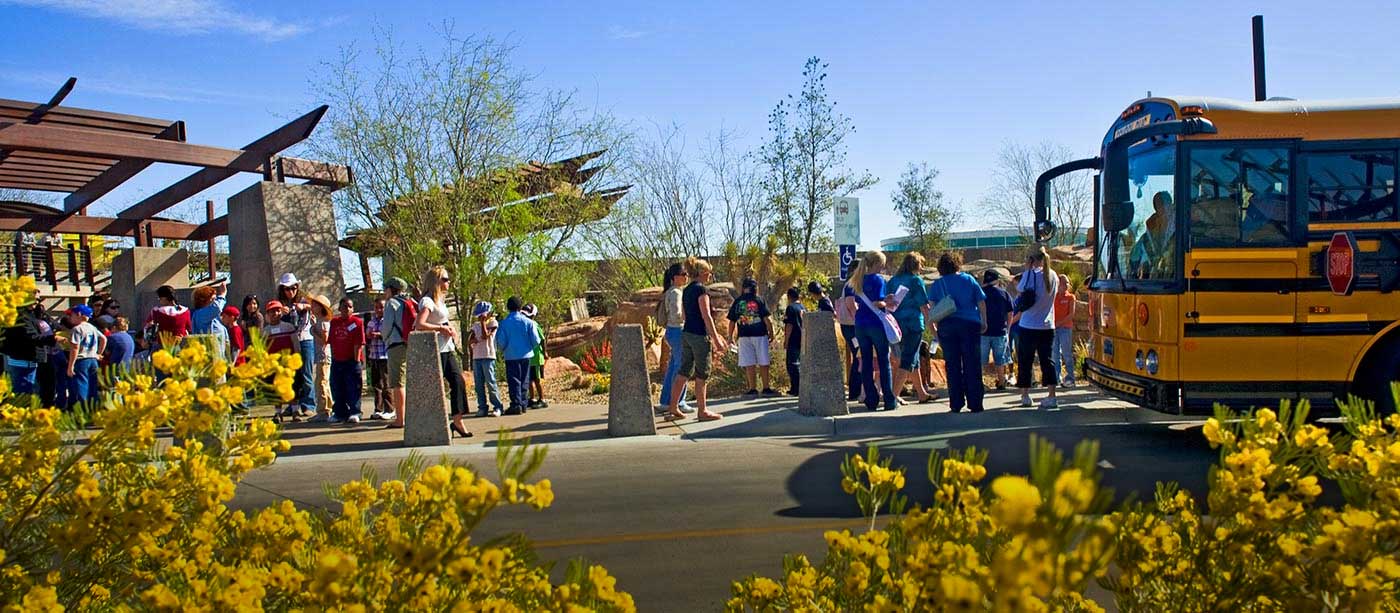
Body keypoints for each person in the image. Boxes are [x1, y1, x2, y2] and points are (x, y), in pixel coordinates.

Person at [666, 257, 727, 421]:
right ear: (702, 272)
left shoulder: (686, 290)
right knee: (702, 373)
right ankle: (703, 411)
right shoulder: (701, 290)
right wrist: (716, 339)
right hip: (699, 335)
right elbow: (706, 315)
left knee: (684, 370)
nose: (709, 275)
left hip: (686, 333)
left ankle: (673, 407)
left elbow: (684, 315)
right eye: (708, 272)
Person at [928, 252, 988, 413]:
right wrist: (984, 321)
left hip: (947, 325)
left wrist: (934, 330)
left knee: (952, 364)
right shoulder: (968, 279)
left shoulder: (938, 284)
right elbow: (981, 301)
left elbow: (931, 308)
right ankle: (975, 402)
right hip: (969, 323)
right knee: (972, 364)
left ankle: (956, 402)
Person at [418, 266, 471, 436]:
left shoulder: (440, 300)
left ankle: (457, 420)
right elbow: (419, 324)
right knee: (434, 388)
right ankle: (429, 423)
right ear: (436, 281)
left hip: (447, 348)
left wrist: (449, 328)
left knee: (458, 382)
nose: (449, 282)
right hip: (435, 351)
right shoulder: (428, 301)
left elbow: (442, 321)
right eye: (445, 279)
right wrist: (441, 328)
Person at [849, 250, 897, 412]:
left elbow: (857, 301)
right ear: (877, 264)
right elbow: (878, 303)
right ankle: (889, 400)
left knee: (866, 362)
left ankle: (871, 399)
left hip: (860, 324)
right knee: (883, 361)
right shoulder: (878, 280)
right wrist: (888, 301)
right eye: (882, 265)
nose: (882, 268)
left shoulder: (858, 280)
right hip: (876, 323)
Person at [1016, 245, 1061, 409]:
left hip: (1028, 324)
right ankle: (1051, 395)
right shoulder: (1053, 276)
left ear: (1032, 259)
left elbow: (1019, 289)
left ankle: (1025, 395)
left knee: (1026, 360)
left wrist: (1027, 269)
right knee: (1047, 360)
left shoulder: (1031, 275)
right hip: (1047, 325)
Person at [888, 253, 933, 405]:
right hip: (913, 324)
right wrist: (932, 326)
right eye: (921, 264)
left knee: (913, 360)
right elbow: (924, 306)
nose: (922, 267)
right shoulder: (916, 281)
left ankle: (921, 393)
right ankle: (892, 397)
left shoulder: (893, 281)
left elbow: (888, 302)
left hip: (897, 325)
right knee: (907, 361)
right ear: (915, 265)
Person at [277, 274, 317, 419]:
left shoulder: (305, 299)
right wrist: (280, 312)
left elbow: (317, 306)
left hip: (305, 339)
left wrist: (303, 306)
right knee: (292, 375)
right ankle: (293, 405)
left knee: (306, 373)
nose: (290, 291)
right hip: (289, 341)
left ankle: (309, 405)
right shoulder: (281, 304)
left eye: (293, 288)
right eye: (287, 289)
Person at [727, 278, 776, 396]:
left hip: (743, 336)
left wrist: (730, 337)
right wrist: (771, 333)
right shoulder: (759, 300)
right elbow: (766, 318)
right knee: (763, 362)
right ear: (755, 288)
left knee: (749, 363)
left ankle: (752, 389)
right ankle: (766, 388)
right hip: (759, 335)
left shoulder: (738, 302)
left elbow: (732, 321)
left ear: (743, 288)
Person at [655, 263, 691, 414]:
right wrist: (688, 320)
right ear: (675, 277)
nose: (686, 277)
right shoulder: (676, 293)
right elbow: (676, 314)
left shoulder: (670, 291)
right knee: (682, 367)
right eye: (684, 274)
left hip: (671, 331)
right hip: (678, 330)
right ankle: (678, 401)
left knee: (673, 366)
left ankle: (666, 400)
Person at [497, 295, 541, 417]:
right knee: (524, 379)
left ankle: (516, 404)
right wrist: (528, 347)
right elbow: (536, 340)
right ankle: (523, 403)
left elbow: (501, 342)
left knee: (514, 380)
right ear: (520, 307)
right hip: (526, 355)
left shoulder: (504, 323)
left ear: (508, 307)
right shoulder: (528, 322)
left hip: (511, 356)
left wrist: (504, 349)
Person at [328, 297, 366, 425]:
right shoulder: (334, 322)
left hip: (351, 360)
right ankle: (339, 412)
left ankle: (355, 412)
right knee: (337, 387)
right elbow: (332, 341)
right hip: (338, 360)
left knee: (353, 387)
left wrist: (356, 361)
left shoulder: (357, 322)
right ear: (339, 308)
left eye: (349, 307)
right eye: (344, 306)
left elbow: (359, 343)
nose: (347, 309)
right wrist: (335, 358)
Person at [1, 301, 52, 395]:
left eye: (38, 300)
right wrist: (53, 339)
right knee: (23, 392)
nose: (36, 303)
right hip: (23, 360)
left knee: (23, 389)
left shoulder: (27, 315)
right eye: (34, 299)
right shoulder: (22, 317)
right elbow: (32, 336)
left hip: (21, 359)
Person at [381, 277, 411, 428]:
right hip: (410, 344)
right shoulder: (409, 302)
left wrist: (384, 338)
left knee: (398, 383)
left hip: (395, 344)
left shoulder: (391, 303)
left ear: (391, 289)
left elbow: (386, 327)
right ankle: (408, 416)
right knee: (407, 381)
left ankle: (400, 419)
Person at [63, 305, 105, 410]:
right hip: (93, 359)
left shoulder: (77, 329)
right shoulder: (92, 327)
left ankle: (81, 409)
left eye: (71, 315)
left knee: (80, 387)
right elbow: (104, 339)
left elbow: (75, 348)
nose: (70, 318)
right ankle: (92, 409)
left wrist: (70, 366)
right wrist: (98, 353)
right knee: (92, 386)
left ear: (79, 315)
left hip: (81, 360)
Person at [468, 301, 505, 418]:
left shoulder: (493, 323)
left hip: (488, 356)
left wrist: (483, 323)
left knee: (491, 382)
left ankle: (497, 406)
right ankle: (482, 407)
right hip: (477, 357)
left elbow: (485, 336)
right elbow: (470, 340)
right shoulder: (475, 326)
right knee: (479, 384)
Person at [980, 270, 1015, 391]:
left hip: (983, 332)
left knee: (981, 359)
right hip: (1000, 331)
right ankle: (1001, 381)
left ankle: (981, 382)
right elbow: (1010, 312)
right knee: (1000, 359)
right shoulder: (1004, 294)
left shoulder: (981, 294)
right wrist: (1008, 328)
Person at [307, 295, 335, 422]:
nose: (312, 307)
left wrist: (313, 330)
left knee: (321, 382)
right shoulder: (319, 321)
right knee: (322, 382)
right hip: (320, 356)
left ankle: (324, 410)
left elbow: (325, 340)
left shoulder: (323, 322)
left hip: (324, 356)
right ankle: (326, 407)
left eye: (315, 305)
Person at [836, 281, 863, 402]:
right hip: (852, 326)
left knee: (858, 357)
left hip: (849, 326)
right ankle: (855, 390)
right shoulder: (852, 285)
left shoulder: (850, 285)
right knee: (859, 356)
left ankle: (856, 390)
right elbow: (851, 303)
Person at [365, 299, 391, 419]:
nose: (378, 310)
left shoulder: (388, 320)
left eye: (381, 307)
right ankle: (378, 408)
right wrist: (369, 335)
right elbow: (367, 334)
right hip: (374, 355)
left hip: (385, 355)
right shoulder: (372, 322)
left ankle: (390, 408)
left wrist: (379, 335)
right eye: (376, 307)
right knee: (377, 384)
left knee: (387, 383)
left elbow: (388, 334)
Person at [145, 285, 191, 350]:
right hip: (181, 346)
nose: (159, 300)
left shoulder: (156, 312)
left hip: (164, 346)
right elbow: (188, 328)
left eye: (160, 298)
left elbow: (147, 327)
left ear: (165, 298)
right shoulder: (185, 311)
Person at [1052, 274, 1078, 388]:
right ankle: (1056, 378)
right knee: (1055, 354)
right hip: (1054, 328)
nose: (1066, 285)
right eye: (1063, 283)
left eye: (1067, 283)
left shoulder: (1070, 297)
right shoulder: (1053, 297)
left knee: (1067, 353)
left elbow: (1071, 314)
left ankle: (1070, 377)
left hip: (1065, 328)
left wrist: (1059, 323)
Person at [522, 303, 549, 409]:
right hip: (528, 356)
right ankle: (532, 398)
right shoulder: (525, 325)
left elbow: (542, 340)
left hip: (536, 356)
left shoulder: (535, 325)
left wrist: (545, 352)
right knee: (529, 380)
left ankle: (542, 399)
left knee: (537, 379)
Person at [782, 286, 805, 396]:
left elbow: (789, 325)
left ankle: (796, 388)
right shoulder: (802, 307)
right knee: (799, 363)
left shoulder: (790, 308)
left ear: (789, 296)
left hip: (793, 338)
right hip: (802, 337)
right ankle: (799, 386)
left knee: (792, 364)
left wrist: (786, 340)